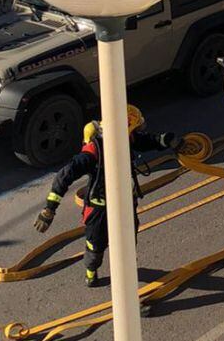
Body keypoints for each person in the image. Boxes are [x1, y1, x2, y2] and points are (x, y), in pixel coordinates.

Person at [34, 105, 180, 288]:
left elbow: (146, 140)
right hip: (100, 210)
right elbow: (64, 175)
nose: (134, 134)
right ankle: (91, 272)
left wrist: (167, 140)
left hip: (126, 206)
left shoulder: (127, 138)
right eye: (132, 130)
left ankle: (129, 293)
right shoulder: (94, 152)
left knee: (127, 249)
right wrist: (49, 209)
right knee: (95, 248)